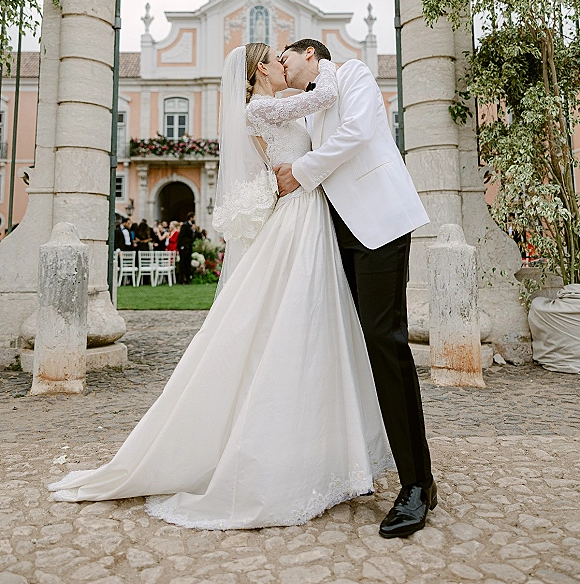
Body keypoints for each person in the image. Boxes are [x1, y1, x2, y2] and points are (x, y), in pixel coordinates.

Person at [48, 42, 391, 531]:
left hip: (305, 211)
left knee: (314, 322)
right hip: (299, 215)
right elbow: (322, 97)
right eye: (276, 58)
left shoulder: (265, 106)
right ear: (258, 71)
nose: (283, 63)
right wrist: (325, 65)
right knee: (296, 322)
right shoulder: (263, 105)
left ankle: (325, 451)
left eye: (286, 56)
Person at [275, 39, 434, 539]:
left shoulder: (352, 75)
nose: (282, 66)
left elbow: (359, 131)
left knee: (386, 345)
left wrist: (299, 172)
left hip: (379, 224)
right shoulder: (303, 110)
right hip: (336, 234)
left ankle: (416, 484)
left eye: (286, 57)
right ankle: (373, 463)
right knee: (361, 349)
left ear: (310, 55)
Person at [176, 212, 195, 283]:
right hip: (184, 247)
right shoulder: (185, 225)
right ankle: (181, 279)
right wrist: (181, 246)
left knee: (187, 263)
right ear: (191, 217)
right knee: (183, 263)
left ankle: (188, 279)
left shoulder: (191, 226)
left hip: (188, 247)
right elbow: (181, 236)